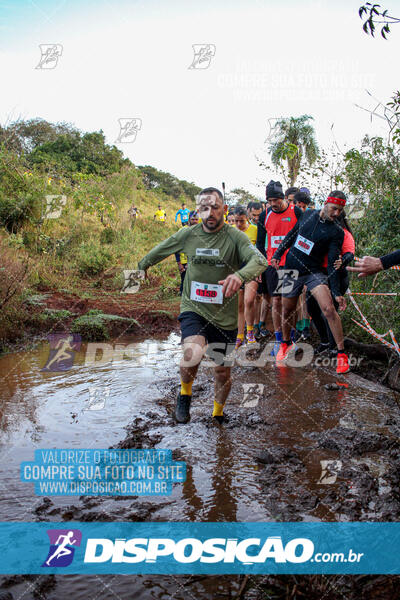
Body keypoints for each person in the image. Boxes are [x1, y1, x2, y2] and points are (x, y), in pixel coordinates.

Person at [138, 187, 267, 424]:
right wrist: (142, 265)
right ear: (198, 210)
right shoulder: (188, 235)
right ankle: (185, 395)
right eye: (204, 208)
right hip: (193, 307)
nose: (209, 213)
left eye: (215, 208)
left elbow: (260, 260)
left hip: (224, 316)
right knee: (192, 352)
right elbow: (161, 250)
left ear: (224, 209)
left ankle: (218, 413)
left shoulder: (235, 237)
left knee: (221, 371)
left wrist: (239, 276)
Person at [271, 190, 350, 374]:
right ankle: (285, 344)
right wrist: (277, 254)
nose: (336, 214)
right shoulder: (307, 214)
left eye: (340, 211)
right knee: (286, 309)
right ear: (325, 203)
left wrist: (337, 293)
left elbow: (332, 264)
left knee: (329, 308)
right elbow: (292, 235)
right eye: (334, 208)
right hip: (290, 268)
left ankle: (341, 355)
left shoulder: (336, 232)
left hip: (314, 272)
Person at [256, 180, 303, 356]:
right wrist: (260, 266)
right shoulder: (264, 215)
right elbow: (260, 243)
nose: (273, 204)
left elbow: (304, 237)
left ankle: (289, 339)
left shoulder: (296, 211)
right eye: (270, 200)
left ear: (283, 197)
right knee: (275, 301)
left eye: (276, 200)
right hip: (271, 265)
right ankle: (278, 340)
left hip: (290, 264)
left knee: (288, 304)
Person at [307, 211, 355, 354]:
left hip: (337, 276)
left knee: (329, 311)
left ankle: (334, 348)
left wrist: (343, 260)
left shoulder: (344, 234)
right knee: (312, 308)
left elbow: (350, 253)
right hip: (317, 274)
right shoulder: (320, 230)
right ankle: (325, 341)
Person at [233, 206, 259, 348]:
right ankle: (239, 335)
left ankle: (250, 332)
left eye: (241, 221)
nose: (238, 224)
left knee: (249, 300)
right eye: (236, 221)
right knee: (239, 304)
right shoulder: (231, 231)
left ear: (247, 219)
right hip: (236, 271)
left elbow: (260, 249)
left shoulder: (254, 230)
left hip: (251, 269)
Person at [175, 211, 199, 294]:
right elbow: (176, 247)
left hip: (196, 262)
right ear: (189, 219)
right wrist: (179, 263)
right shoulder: (183, 230)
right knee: (184, 282)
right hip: (184, 261)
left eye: (197, 219)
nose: (195, 221)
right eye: (193, 219)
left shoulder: (200, 231)